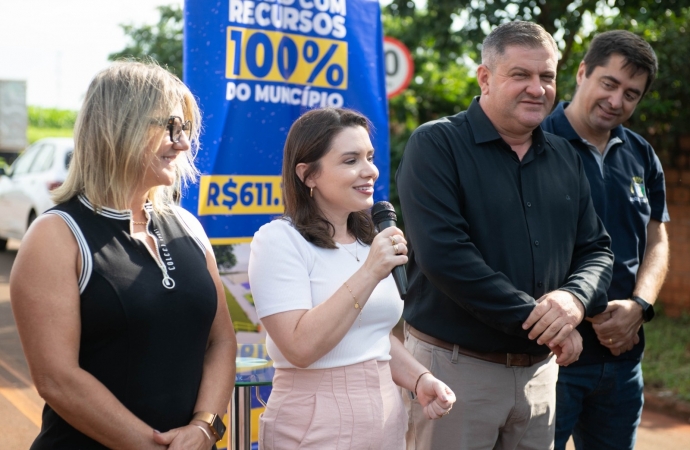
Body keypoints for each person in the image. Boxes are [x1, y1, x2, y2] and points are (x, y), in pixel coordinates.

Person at [395, 21, 615, 450]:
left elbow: (597, 250)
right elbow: (446, 256)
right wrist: (548, 326)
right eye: (521, 75)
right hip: (453, 373)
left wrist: (573, 300)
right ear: (485, 78)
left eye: (547, 77)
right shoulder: (436, 145)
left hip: (540, 377)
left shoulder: (567, 158)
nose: (537, 88)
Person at [10, 61, 237, 450]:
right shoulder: (56, 236)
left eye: (185, 130)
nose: (182, 144)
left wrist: (205, 426)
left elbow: (221, 341)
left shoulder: (188, 226)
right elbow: (57, 379)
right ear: (120, 126)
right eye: (170, 128)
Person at [248, 107, 456, 450]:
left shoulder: (368, 240)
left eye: (370, 157)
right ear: (308, 175)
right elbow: (300, 347)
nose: (370, 170)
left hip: (386, 417)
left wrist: (420, 378)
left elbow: (370, 335)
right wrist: (370, 272)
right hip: (314, 422)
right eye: (350, 160)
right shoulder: (278, 240)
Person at [541, 30, 670, 450]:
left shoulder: (641, 155)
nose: (617, 101)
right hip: (552, 358)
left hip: (622, 359)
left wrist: (641, 306)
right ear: (582, 73)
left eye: (631, 94)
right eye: (609, 84)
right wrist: (585, 309)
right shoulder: (535, 142)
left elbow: (657, 238)